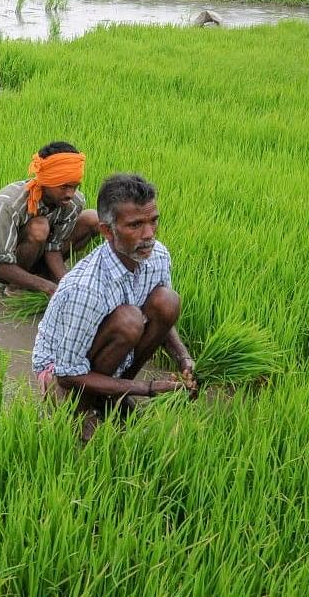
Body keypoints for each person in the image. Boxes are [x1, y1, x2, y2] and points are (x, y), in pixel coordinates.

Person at [31, 173, 196, 433]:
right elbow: (67, 373)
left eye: (154, 221)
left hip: (107, 350)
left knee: (168, 301)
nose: (149, 234)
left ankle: (111, 395)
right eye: (135, 225)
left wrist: (184, 359)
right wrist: (148, 388)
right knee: (129, 320)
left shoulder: (158, 256)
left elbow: (162, 321)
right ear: (107, 231)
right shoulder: (86, 287)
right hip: (61, 372)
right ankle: (82, 407)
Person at [0, 141, 99, 295]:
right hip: (0, 265)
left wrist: (66, 282)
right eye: (64, 186)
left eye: (75, 186)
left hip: (40, 256)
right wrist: (47, 287)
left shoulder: (73, 202)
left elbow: (54, 247)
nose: (70, 194)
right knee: (39, 227)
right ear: (46, 182)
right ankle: (17, 285)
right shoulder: (9, 204)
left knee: (92, 218)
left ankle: (41, 276)